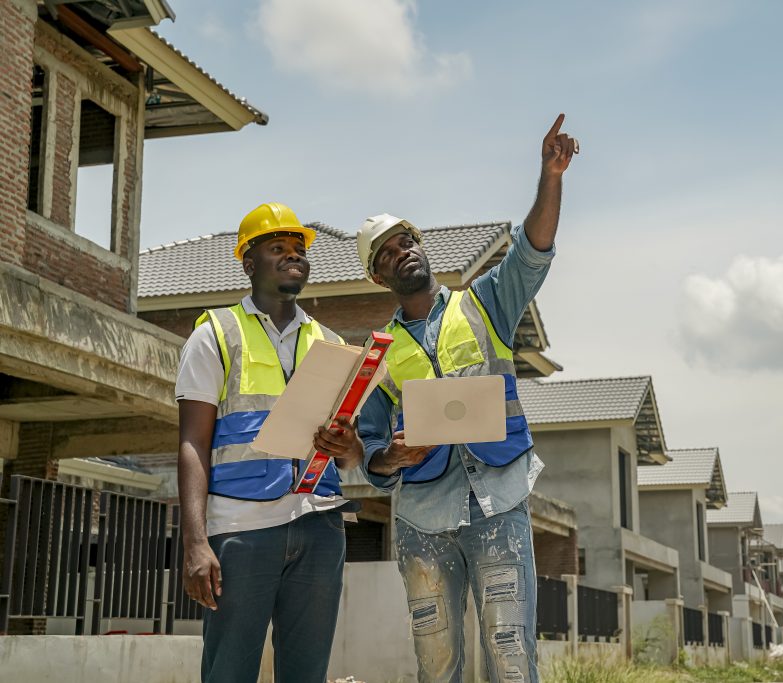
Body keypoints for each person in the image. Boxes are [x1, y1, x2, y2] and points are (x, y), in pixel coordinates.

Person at [356, 115, 578, 682]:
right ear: (379, 277)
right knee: (437, 665)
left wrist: (550, 175)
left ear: (421, 247)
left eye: (406, 240)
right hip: (422, 521)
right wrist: (391, 458)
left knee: (510, 654)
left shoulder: (483, 306)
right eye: (386, 253)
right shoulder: (377, 355)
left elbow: (532, 251)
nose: (401, 252)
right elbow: (369, 455)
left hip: (498, 501)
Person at [176, 202, 364, 683]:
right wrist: (197, 542)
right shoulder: (214, 335)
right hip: (241, 531)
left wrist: (345, 445)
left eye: (298, 249)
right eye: (277, 247)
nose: (292, 256)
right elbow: (193, 444)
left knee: (307, 673)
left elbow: (352, 455)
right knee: (229, 671)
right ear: (248, 263)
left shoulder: (331, 343)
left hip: (320, 528)